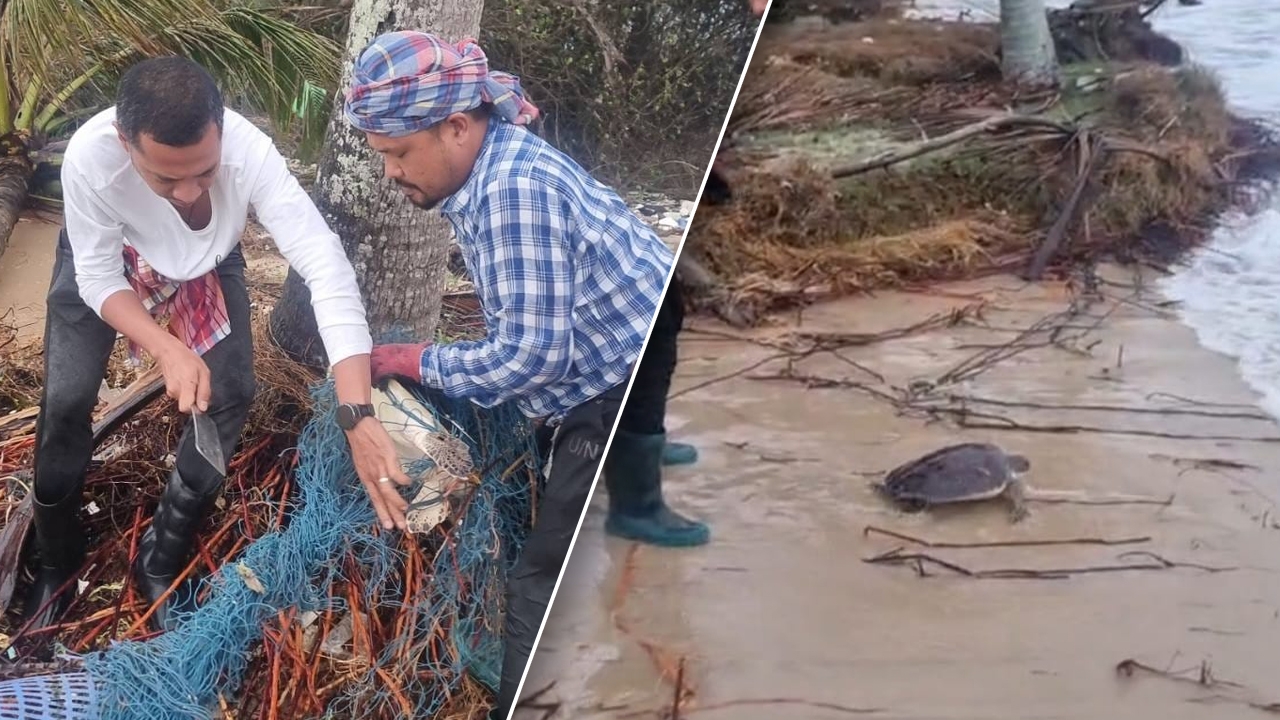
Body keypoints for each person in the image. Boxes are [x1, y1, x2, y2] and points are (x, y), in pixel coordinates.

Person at [340, 30, 684, 719]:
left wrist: (415, 360)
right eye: (382, 157)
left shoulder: (509, 192)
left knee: (540, 581)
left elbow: (532, 359)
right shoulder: (493, 156)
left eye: (400, 154)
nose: (391, 172)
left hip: (617, 360)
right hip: (652, 305)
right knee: (632, 470)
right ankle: (649, 535)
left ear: (456, 127)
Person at [29, 56, 409, 637]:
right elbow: (99, 278)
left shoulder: (250, 152)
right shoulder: (90, 159)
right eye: (165, 178)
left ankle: (161, 553)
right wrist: (164, 345)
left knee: (230, 392)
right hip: (105, 267)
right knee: (64, 403)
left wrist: (356, 411)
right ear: (125, 142)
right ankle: (56, 562)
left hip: (205, 265)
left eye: (203, 173)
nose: (186, 192)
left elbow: (325, 266)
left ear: (222, 132)